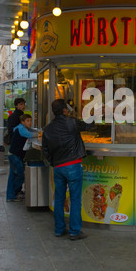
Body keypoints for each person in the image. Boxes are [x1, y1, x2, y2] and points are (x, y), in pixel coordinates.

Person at [42, 99, 92, 241]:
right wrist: (96, 114)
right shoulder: (72, 122)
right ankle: (75, 231)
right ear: (64, 109)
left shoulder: (48, 128)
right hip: (73, 165)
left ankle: (59, 229)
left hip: (58, 167)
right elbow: (89, 125)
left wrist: (53, 162)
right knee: (75, 199)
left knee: (59, 199)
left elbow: (45, 150)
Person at [6, 114, 38, 202]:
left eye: (31, 121)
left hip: (13, 155)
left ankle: (10, 195)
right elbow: (29, 134)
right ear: (22, 122)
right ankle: (13, 193)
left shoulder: (20, 128)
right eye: (27, 121)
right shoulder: (21, 129)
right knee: (20, 176)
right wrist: (40, 134)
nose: (30, 123)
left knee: (12, 176)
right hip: (15, 156)